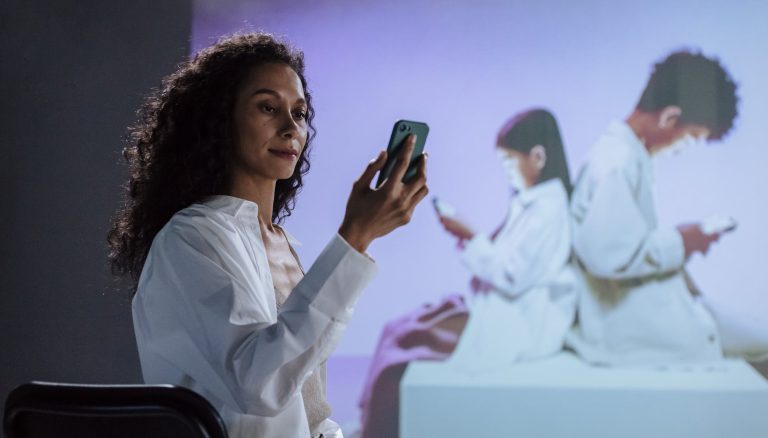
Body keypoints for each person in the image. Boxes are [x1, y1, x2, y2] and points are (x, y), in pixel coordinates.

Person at [107, 33, 428, 438]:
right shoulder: (189, 238)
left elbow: (308, 407)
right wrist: (355, 236)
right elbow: (258, 385)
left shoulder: (285, 245)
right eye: (268, 107)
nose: (290, 127)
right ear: (220, 119)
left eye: (299, 112)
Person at [565, 50, 766, 365]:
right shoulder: (617, 160)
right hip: (623, 322)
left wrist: (686, 240)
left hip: (647, 305)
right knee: (761, 344)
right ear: (670, 118)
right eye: (689, 139)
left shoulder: (629, 156)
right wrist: (684, 240)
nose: (680, 151)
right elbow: (608, 255)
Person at [437, 108, 577, 371]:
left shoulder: (548, 210)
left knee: (407, 337)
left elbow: (512, 276)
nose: (506, 171)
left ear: (538, 157)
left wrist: (471, 236)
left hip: (526, 323)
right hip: (510, 312)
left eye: (510, 161)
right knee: (412, 328)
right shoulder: (530, 204)